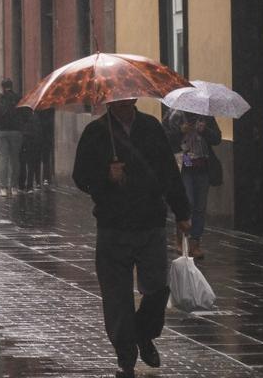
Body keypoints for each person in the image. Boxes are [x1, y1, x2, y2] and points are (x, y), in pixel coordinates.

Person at [73, 98, 191, 378]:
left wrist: (183, 211)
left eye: (128, 98)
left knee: (156, 289)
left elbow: (169, 173)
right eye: (118, 98)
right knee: (116, 297)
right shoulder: (96, 132)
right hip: (113, 226)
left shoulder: (151, 127)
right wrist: (106, 175)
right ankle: (126, 357)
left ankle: (144, 332)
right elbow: (80, 177)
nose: (124, 102)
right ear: (109, 100)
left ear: (135, 98)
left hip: (150, 222)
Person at [163, 109, 222, 260]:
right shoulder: (174, 116)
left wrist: (205, 130)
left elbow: (217, 138)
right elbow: (164, 139)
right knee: (187, 202)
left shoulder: (206, 115)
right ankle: (180, 239)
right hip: (184, 166)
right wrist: (180, 132)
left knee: (200, 207)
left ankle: (195, 242)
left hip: (202, 167)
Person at [0, 79, 23, 196]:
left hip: (2, 131)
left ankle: (3, 188)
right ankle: (14, 187)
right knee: (15, 159)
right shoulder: (19, 98)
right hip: (16, 131)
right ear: (11, 86)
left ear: (2, 87)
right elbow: (24, 115)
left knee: (3, 159)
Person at [17, 105, 42, 193]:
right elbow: (38, 132)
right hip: (32, 143)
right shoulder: (35, 117)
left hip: (23, 142)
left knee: (22, 164)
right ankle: (29, 186)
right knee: (31, 165)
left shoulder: (20, 116)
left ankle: (21, 185)